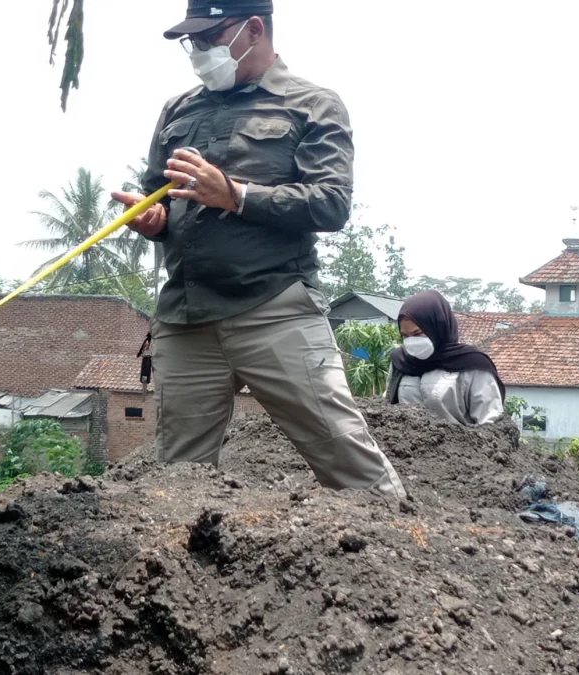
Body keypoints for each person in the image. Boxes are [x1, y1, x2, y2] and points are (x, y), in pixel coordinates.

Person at [110, 0, 406, 499]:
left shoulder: (313, 104)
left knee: (346, 457)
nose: (199, 51)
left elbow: (330, 204)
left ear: (253, 28)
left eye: (209, 37)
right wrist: (153, 221)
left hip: (275, 312)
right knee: (179, 479)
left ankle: (405, 552)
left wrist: (236, 195)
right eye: (193, 41)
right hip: (186, 321)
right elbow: (161, 196)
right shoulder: (178, 110)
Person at [386, 290, 507, 426]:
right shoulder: (400, 362)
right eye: (405, 336)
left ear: (438, 326)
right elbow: (389, 408)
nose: (411, 341)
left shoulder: (472, 364)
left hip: (461, 446)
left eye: (417, 333)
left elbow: (490, 424)